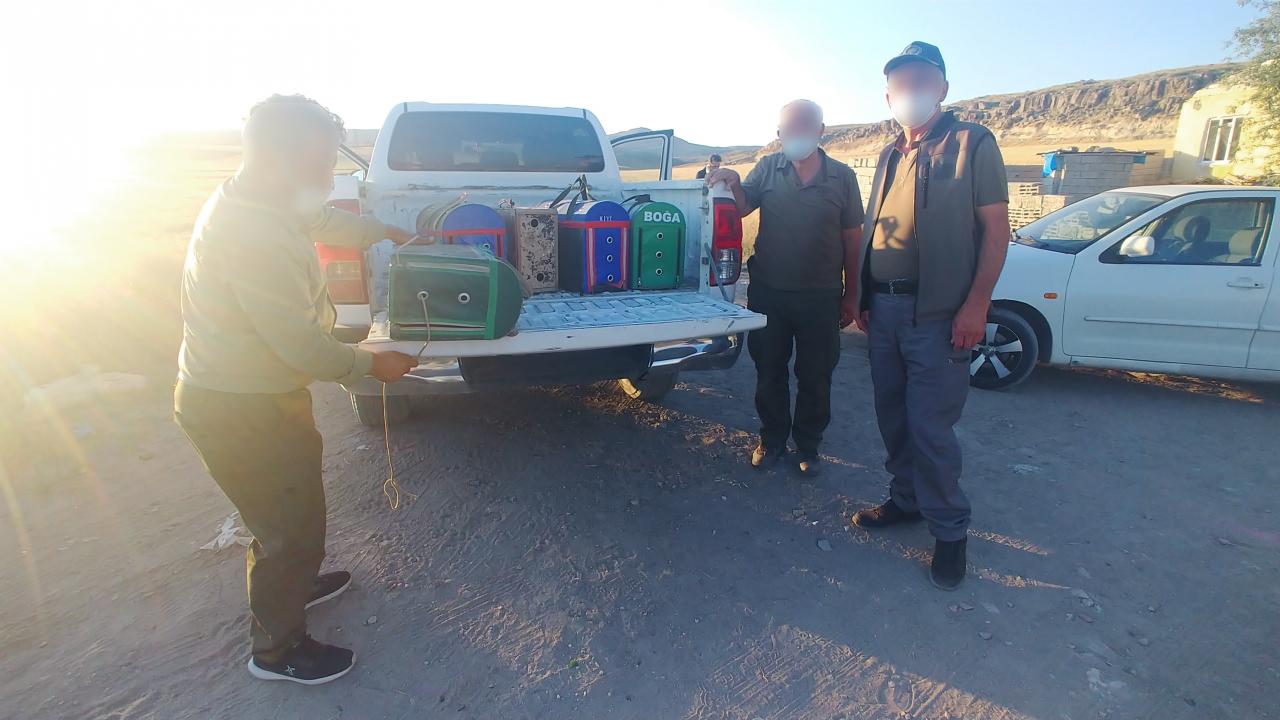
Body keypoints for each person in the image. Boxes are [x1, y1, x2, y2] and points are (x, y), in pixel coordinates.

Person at [173, 94, 419, 684]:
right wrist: (372, 365)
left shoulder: (266, 196)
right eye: (317, 165)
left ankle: (296, 584)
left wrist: (383, 230)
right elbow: (301, 347)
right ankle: (277, 651)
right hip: (240, 406)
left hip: (255, 395)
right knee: (286, 528)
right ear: (275, 158)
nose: (327, 178)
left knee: (295, 502)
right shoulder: (252, 234)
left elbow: (324, 219)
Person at [849, 42, 1011, 590]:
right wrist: (863, 294)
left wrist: (977, 304)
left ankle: (949, 531)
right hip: (885, 308)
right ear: (888, 96)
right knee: (893, 416)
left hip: (938, 313)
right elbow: (874, 227)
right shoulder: (890, 153)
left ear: (942, 87)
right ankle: (906, 500)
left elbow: (996, 231)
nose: (911, 92)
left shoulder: (971, 143)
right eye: (900, 84)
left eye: (922, 81)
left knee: (930, 426)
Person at [707, 100, 864, 477]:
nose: (798, 135)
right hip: (769, 293)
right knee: (769, 370)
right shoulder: (767, 168)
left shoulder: (842, 176)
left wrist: (853, 294)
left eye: (806, 127)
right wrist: (733, 181)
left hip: (821, 296)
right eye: (790, 129)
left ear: (821, 130)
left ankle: (808, 446)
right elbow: (742, 207)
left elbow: (853, 239)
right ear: (779, 134)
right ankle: (772, 440)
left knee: (816, 375)